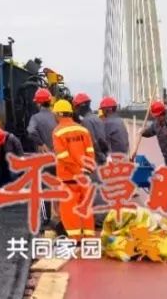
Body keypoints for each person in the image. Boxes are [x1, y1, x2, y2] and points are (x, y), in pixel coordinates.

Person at [51, 100, 97, 241]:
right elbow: (90, 152)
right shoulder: (83, 130)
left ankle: (75, 238)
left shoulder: (58, 132)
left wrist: (76, 171)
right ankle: (89, 236)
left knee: (69, 209)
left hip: (68, 177)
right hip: (85, 176)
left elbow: (63, 157)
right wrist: (87, 170)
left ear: (58, 114)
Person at [73, 93, 108, 164]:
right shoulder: (97, 118)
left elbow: (92, 141)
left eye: (76, 108)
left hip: (95, 160)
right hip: (103, 156)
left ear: (81, 107)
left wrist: (100, 157)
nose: (76, 111)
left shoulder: (86, 121)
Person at [26, 88, 57, 153]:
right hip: (58, 155)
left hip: (44, 155)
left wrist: (41, 143)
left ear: (39, 103)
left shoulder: (35, 118)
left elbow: (31, 131)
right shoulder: (57, 116)